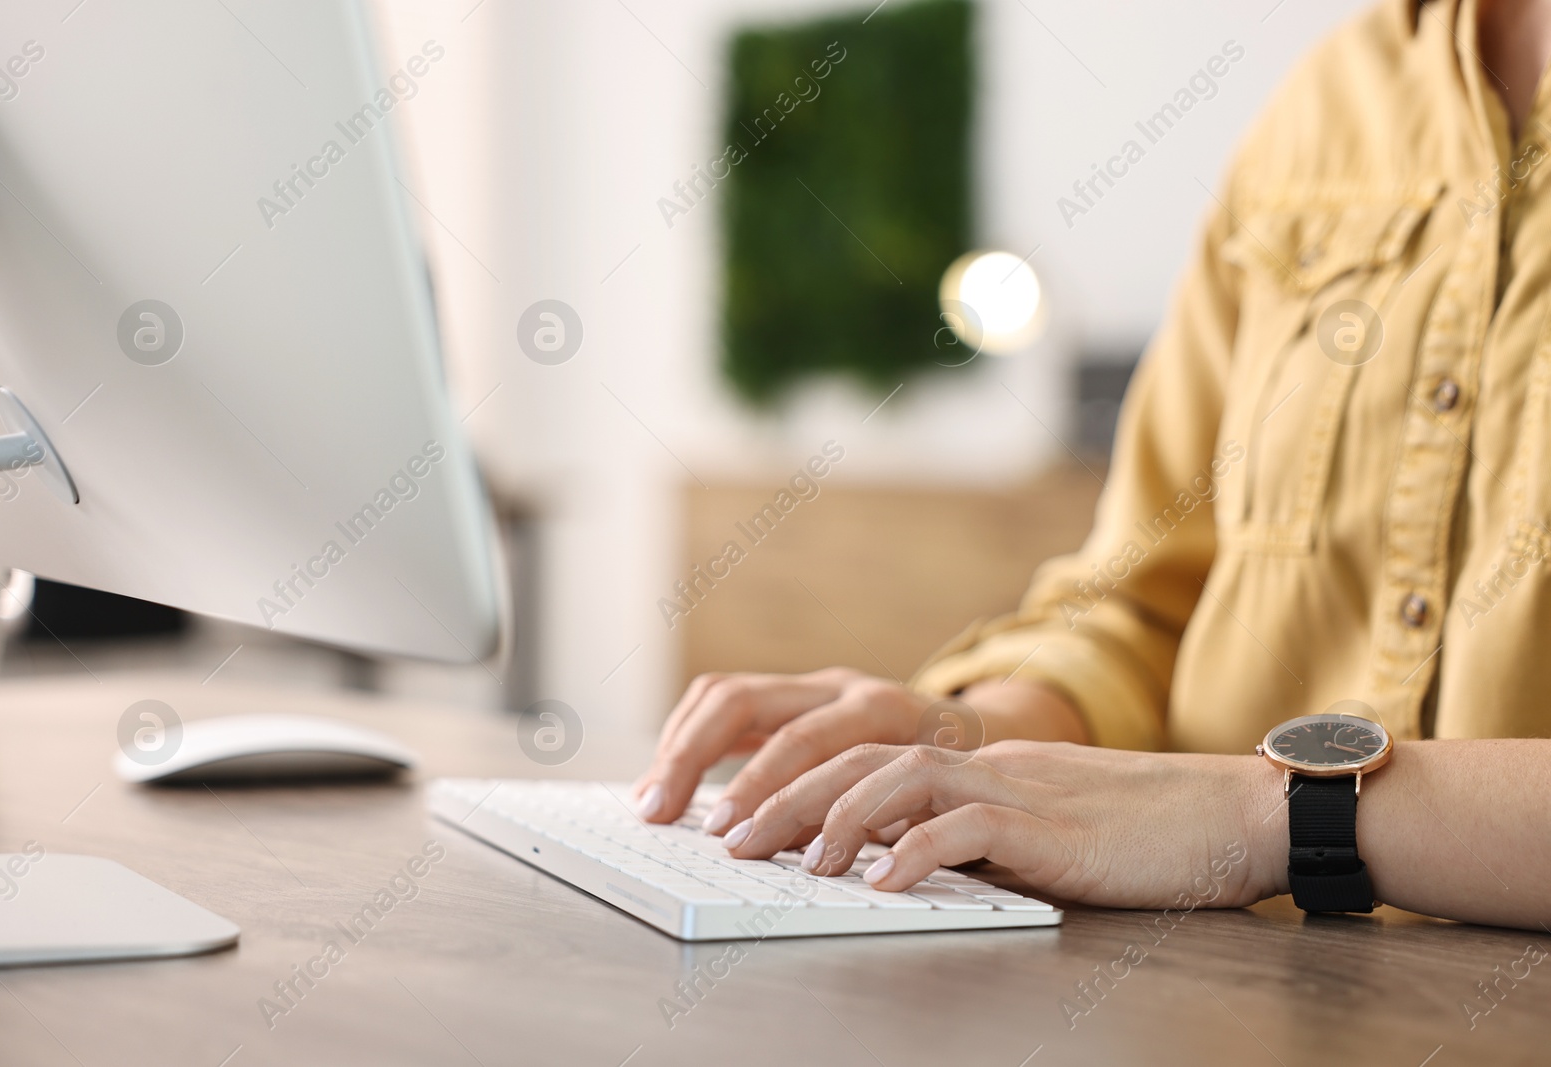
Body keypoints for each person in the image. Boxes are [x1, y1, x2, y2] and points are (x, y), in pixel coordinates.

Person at [635, 0, 1551, 932]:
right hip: (1220, 999)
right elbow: (1145, 598)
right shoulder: (1325, 104)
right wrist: (973, 739)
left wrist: (1262, 811)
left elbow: (1227, 805)